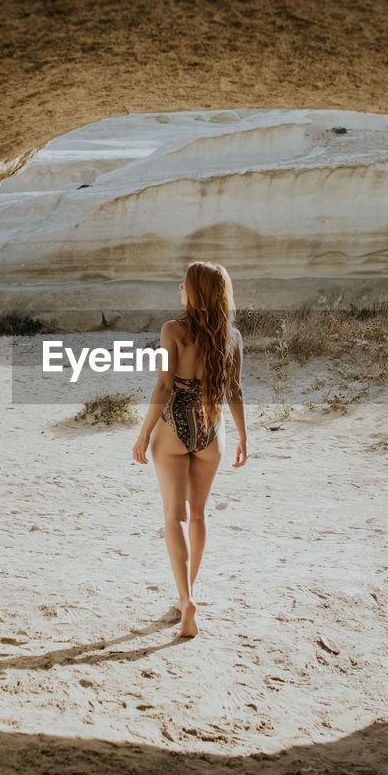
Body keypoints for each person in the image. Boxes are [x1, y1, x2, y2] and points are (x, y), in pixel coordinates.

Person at [132, 261, 247, 638]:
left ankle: (187, 599)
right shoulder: (232, 336)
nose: (179, 286)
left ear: (194, 291)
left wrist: (143, 434)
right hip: (212, 431)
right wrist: (243, 437)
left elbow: (165, 386)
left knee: (172, 517)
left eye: (184, 282)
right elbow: (235, 391)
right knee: (198, 515)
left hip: (173, 428)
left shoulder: (173, 330)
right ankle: (187, 597)